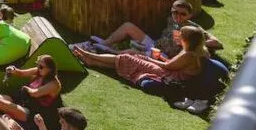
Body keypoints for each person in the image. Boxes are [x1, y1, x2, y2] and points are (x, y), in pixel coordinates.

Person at [73, 25, 208, 87]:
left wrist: (148, 58)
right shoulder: (195, 50)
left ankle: (88, 54)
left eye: (181, 35)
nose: (178, 36)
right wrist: (159, 57)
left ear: (187, 39)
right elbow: (173, 64)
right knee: (131, 57)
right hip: (172, 72)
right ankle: (91, 61)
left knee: (129, 58)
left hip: (171, 77)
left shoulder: (189, 54)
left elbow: (168, 66)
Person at [77, 0, 222, 56]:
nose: (178, 16)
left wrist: (195, 42)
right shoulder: (170, 20)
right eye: (175, 12)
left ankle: (111, 52)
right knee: (128, 26)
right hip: (155, 45)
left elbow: (217, 43)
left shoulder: (193, 28)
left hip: (165, 56)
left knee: (132, 52)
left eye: (183, 14)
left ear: (190, 15)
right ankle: (106, 43)